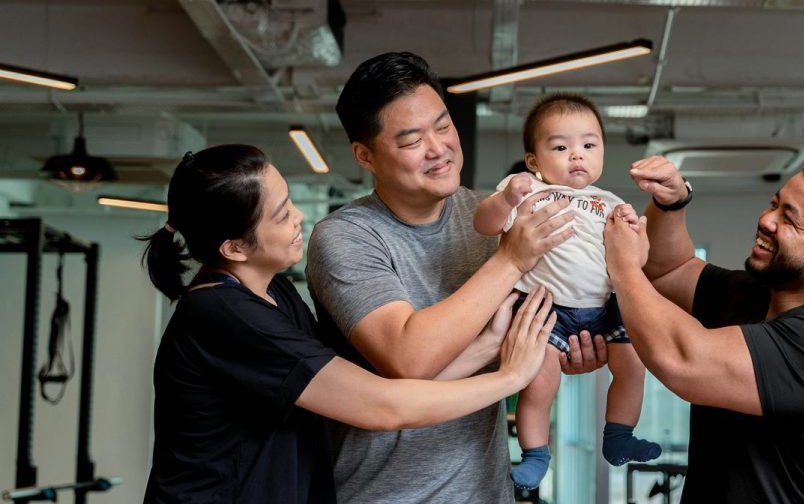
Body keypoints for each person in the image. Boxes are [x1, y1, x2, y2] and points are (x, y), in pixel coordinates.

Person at [138, 144, 556, 504]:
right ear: (233, 247)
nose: (299, 216)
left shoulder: (275, 294)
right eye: (281, 215)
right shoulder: (225, 315)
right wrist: (510, 377)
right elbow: (383, 407)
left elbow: (361, 397)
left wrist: (489, 344)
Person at [305, 52, 606, 503]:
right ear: (364, 155)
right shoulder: (345, 238)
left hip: (486, 490)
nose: (438, 149)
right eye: (411, 140)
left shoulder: (494, 212)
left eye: (443, 126)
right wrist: (510, 261)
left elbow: (544, 316)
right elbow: (407, 359)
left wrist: (571, 342)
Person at [603, 148, 804, 503]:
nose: (767, 220)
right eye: (774, 204)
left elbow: (683, 361)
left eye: (789, 219)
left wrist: (624, 269)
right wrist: (672, 203)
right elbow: (670, 270)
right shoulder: (754, 294)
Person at [474, 93, 661, 490]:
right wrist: (505, 199)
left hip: (606, 306)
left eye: (589, 145)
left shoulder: (610, 202)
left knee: (633, 366)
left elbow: (635, 260)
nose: (577, 155)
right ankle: (536, 455)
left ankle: (618, 435)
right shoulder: (526, 191)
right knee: (539, 383)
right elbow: (485, 225)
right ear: (534, 161)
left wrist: (638, 235)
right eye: (560, 147)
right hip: (546, 308)